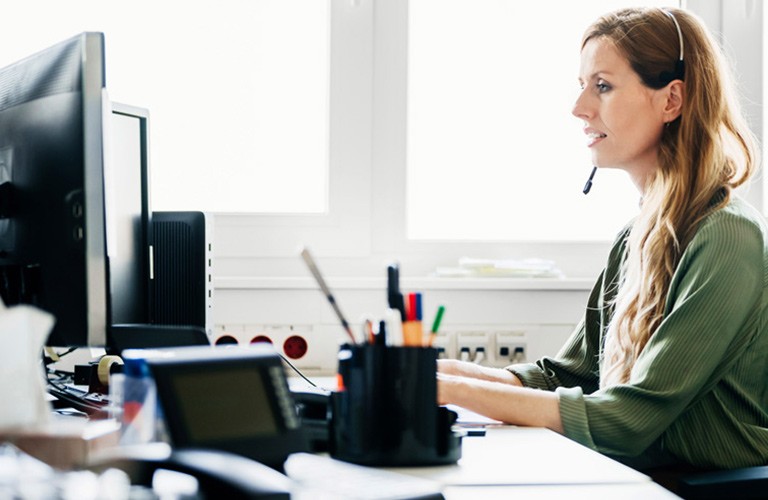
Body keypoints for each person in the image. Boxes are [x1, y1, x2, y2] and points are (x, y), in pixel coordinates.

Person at [437, 6, 768, 473]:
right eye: (582, 86)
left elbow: (630, 419)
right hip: (645, 477)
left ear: (671, 100)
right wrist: (439, 373)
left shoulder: (728, 236)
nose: (579, 109)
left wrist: (454, 392)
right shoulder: (635, 237)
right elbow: (567, 376)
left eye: (603, 86)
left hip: (708, 489)